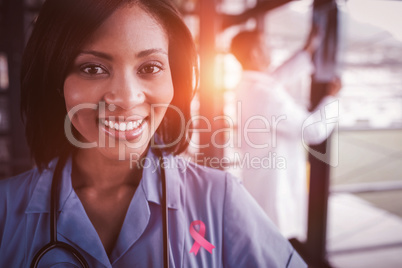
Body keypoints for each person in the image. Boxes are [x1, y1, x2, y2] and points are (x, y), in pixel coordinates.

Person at [0, 0, 307, 267]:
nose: (127, 97)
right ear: (57, 82)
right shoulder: (5, 209)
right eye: (93, 68)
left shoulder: (220, 200)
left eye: (149, 67)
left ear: (176, 80)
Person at [230, 28, 341, 240]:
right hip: (274, 191)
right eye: (265, 45)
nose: (270, 49)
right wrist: (331, 99)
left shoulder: (248, 87)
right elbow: (313, 131)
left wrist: (306, 52)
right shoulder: (266, 94)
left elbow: (275, 78)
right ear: (255, 54)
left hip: (260, 183)